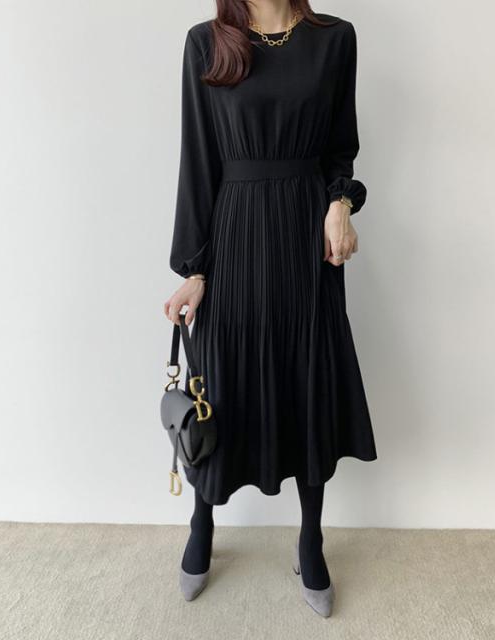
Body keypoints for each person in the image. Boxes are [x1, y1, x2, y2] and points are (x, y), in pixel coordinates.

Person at [163, 0, 377, 617]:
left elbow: (340, 147)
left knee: (308, 375)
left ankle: (311, 537)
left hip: (305, 239)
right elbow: (198, 159)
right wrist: (193, 268)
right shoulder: (207, 42)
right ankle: (202, 520)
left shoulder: (334, 39)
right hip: (233, 235)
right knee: (219, 381)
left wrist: (340, 205)